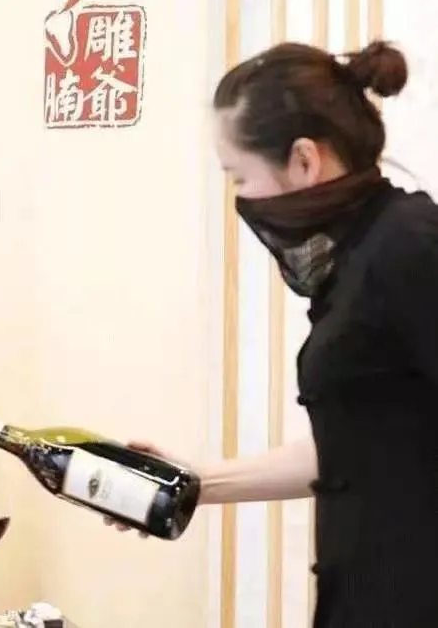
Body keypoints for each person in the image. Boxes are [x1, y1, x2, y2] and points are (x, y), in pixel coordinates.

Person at [111, 40, 438, 626]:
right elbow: (358, 445)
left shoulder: (408, 244)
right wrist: (192, 481)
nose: (240, 198)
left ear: (304, 160)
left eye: (239, 176)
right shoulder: (360, 260)